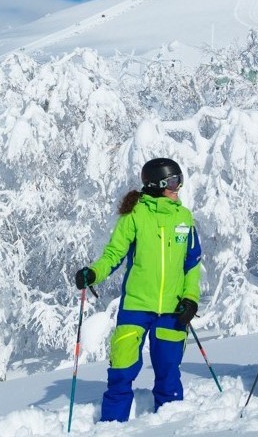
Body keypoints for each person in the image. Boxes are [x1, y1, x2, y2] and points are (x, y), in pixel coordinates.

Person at [74, 157, 202, 423]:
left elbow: (192, 264)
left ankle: (170, 426)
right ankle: (111, 425)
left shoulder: (183, 217)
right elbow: (114, 254)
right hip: (136, 305)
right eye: (174, 181)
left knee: (168, 371)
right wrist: (93, 273)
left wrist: (191, 298)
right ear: (157, 184)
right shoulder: (135, 215)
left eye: (180, 180)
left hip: (172, 307)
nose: (178, 186)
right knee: (121, 369)